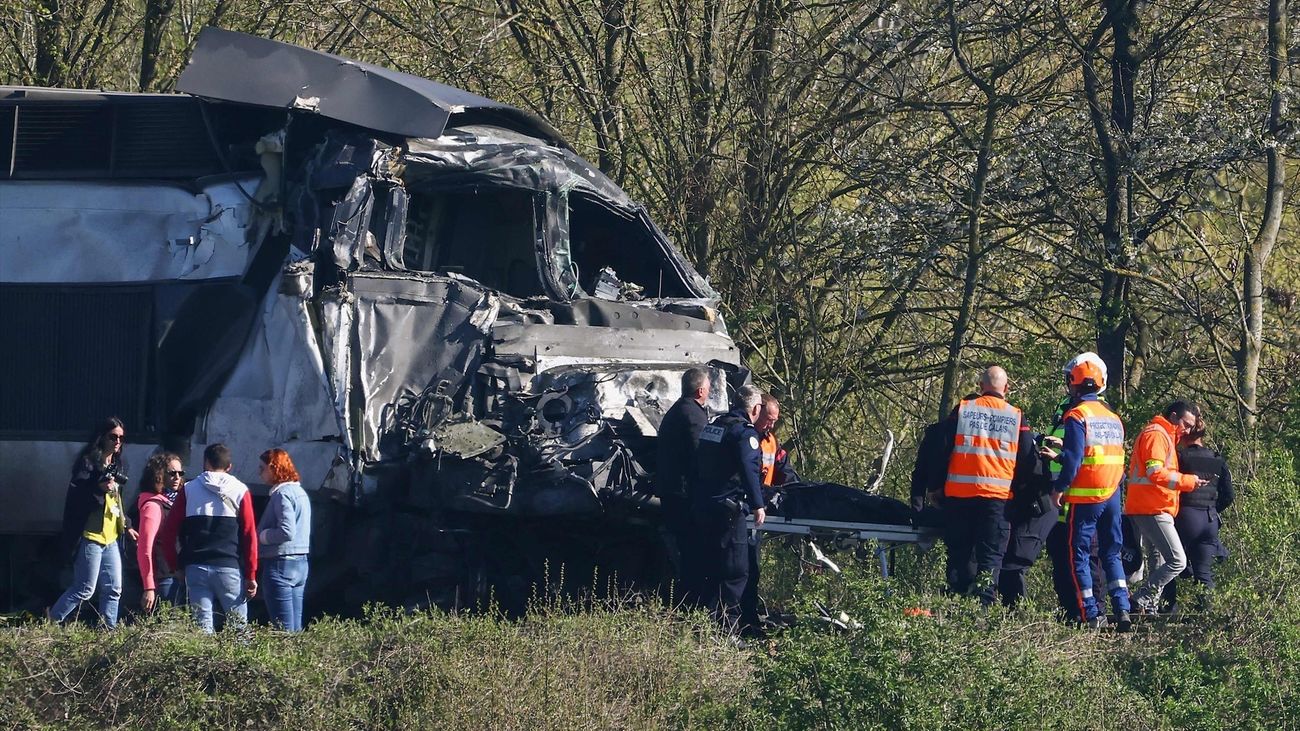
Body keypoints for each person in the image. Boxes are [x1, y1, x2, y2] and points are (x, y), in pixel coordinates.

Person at [938, 366, 1037, 605]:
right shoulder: (1015, 416)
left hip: (959, 496)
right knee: (991, 558)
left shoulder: (963, 409)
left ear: (981, 386)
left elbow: (941, 450)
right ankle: (984, 608)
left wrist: (934, 487)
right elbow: (1027, 458)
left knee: (959, 554)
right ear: (1007, 388)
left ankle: (958, 604)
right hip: (997, 499)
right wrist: (1022, 491)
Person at [1051, 357, 1131, 630]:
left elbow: (1075, 460)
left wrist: (1059, 488)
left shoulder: (1077, 415)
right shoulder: (1113, 418)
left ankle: (1091, 614)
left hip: (1086, 497)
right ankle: (1122, 609)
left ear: (1072, 383)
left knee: (1080, 555)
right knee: (1112, 553)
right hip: (1112, 494)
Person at [159, 443, 258, 633]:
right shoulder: (240, 490)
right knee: (238, 628)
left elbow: (169, 531)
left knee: (202, 629)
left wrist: (174, 566)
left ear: (205, 463)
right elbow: (249, 534)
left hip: (196, 567)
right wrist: (251, 574)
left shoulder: (189, 489)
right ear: (229, 467)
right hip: (228, 566)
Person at [690, 384, 766, 631]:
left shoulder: (713, 426)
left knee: (711, 567)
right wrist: (758, 504)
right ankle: (726, 629)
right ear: (755, 408)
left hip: (704, 505)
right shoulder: (744, 433)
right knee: (736, 571)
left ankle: (705, 627)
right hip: (729, 511)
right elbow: (749, 469)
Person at [49, 417, 137, 628]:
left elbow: (117, 501)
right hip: (90, 534)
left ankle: (108, 630)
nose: (117, 442)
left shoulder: (118, 465)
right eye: (113, 437)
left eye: (121, 438)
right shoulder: (88, 462)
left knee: (114, 588)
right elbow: (76, 498)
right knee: (85, 588)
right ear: (102, 437)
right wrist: (98, 488)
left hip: (111, 536)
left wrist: (127, 525)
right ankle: (52, 622)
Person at [1123, 401, 1207, 614]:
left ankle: (1148, 608)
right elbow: (1155, 473)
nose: (1187, 430)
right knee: (1177, 560)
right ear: (1174, 416)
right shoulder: (1157, 435)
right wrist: (1188, 481)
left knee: (1159, 560)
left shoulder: (1163, 436)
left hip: (1153, 506)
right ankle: (1141, 599)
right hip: (1152, 507)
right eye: (1186, 424)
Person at [1043, 353, 1106, 621]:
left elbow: (1086, 456)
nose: (1070, 384)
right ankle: (1071, 611)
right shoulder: (1066, 408)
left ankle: (1093, 611)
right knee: (1061, 554)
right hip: (1060, 496)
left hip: (1082, 496)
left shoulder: (1092, 413)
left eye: (1073, 379)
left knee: (1086, 556)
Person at [739, 393, 799, 635]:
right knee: (741, 570)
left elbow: (786, 472)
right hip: (743, 510)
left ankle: (749, 619)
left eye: (775, 421)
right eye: (768, 420)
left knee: (752, 570)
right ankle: (740, 621)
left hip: (758, 513)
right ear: (757, 411)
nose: (771, 425)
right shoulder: (744, 437)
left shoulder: (771, 441)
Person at [1164, 415, 1233, 612]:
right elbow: (1229, 495)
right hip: (1209, 520)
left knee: (1171, 564)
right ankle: (1206, 616)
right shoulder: (1217, 459)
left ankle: (1168, 609)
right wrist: (1213, 508)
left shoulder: (1179, 458)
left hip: (1185, 517)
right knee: (1204, 574)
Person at [655, 367, 712, 603]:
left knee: (686, 549)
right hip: (684, 495)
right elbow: (702, 454)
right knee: (693, 551)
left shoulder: (678, 411)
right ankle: (692, 602)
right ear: (700, 391)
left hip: (673, 491)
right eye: (708, 387)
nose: (709, 391)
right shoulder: (692, 415)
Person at [257, 449, 312, 632]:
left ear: (274, 468)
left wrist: (262, 536)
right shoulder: (300, 492)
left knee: (283, 629)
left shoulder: (281, 494)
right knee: (295, 627)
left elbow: (287, 531)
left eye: (262, 468)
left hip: (280, 563)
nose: (259, 473)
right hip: (300, 562)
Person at [136, 452, 185, 612]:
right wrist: (149, 587)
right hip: (164, 578)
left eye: (180, 473)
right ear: (159, 475)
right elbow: (145, 548)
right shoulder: (153, 505)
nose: (177, 477)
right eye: (172, 473)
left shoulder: (177, 501)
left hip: (177, 574)